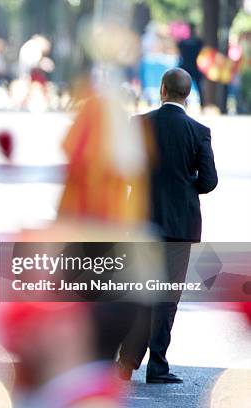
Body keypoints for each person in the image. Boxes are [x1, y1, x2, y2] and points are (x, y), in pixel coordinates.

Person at [118, 68, 218, 383]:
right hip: (180, 225)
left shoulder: (139, 124)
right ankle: (158, 366)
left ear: (162, 90)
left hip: (143, 221)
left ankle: (126, 362)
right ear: (186, 95)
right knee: (167, 296)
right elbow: (209, 181)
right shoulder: (199, 131)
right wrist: (186, 185)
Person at [178, 23, 205, 106]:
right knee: (199, 87)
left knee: (183, 86)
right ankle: (202, 104)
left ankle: (183, 102)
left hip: (185, 67)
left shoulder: (182, 43)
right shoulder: (198, 42)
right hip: (195, 67)